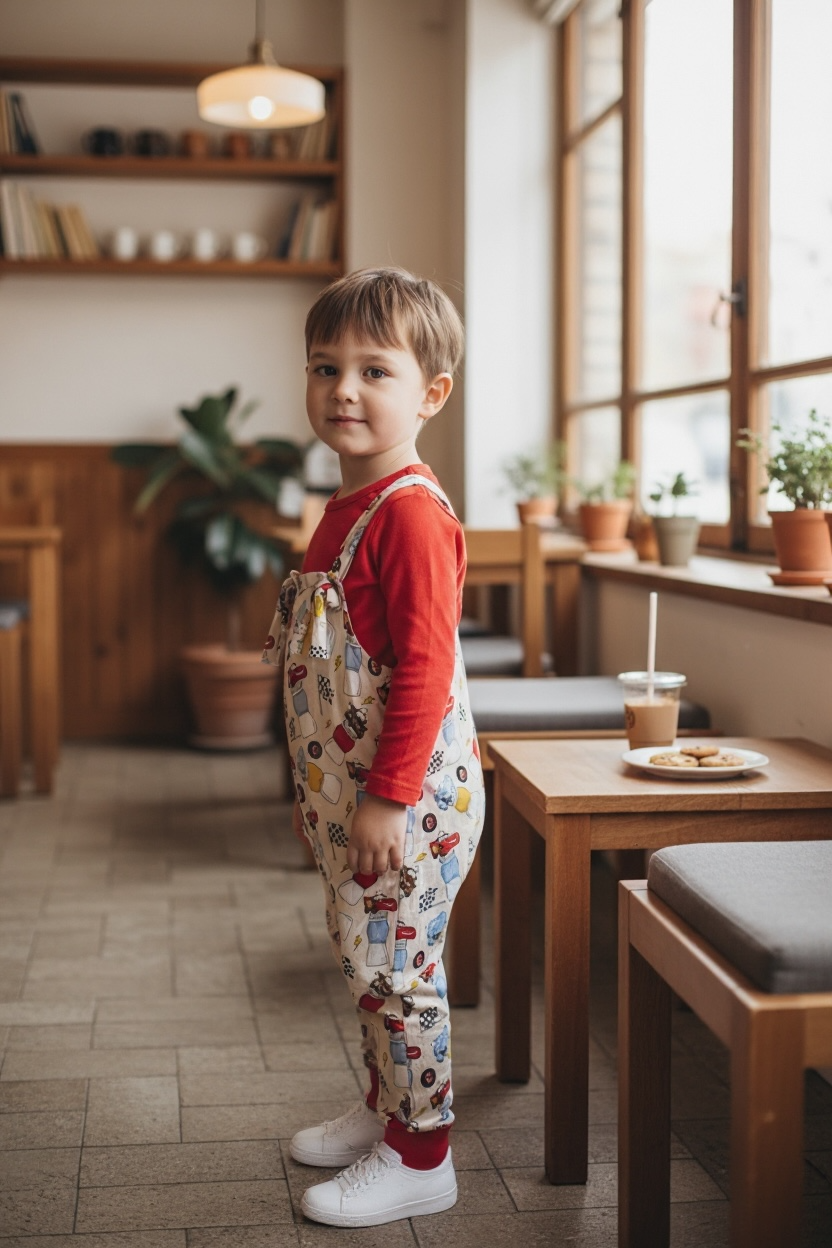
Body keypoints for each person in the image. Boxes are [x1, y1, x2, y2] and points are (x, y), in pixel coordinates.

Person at [263, 266, 484, 1227]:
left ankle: (423, 1154)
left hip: (406, 799)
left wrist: (387, 796)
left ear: (430, 393)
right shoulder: (346, 506)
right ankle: (385, 1110)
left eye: (374, 370)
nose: (343, 389)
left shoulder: (409, 514)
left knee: (398, 969)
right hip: (351, 793)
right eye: (324, 366)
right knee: (365, 958)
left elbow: (428, 671)